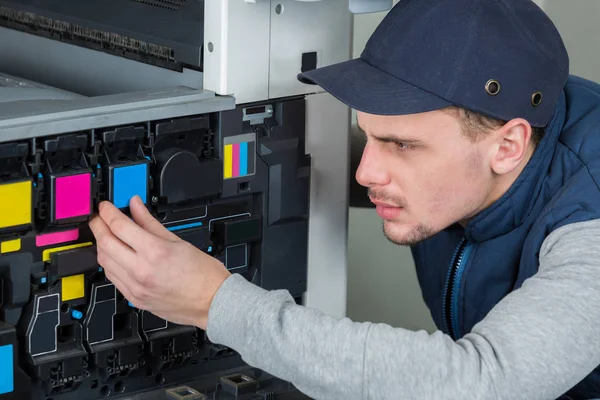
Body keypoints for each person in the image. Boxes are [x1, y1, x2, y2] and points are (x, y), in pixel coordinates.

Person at [88, 0, 600, 398]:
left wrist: (213, 301)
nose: (365, 171)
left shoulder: (589, 226)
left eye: (401, 145)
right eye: (370, 135)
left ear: (507, 146)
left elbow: (480, 383)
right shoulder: (480, 137)